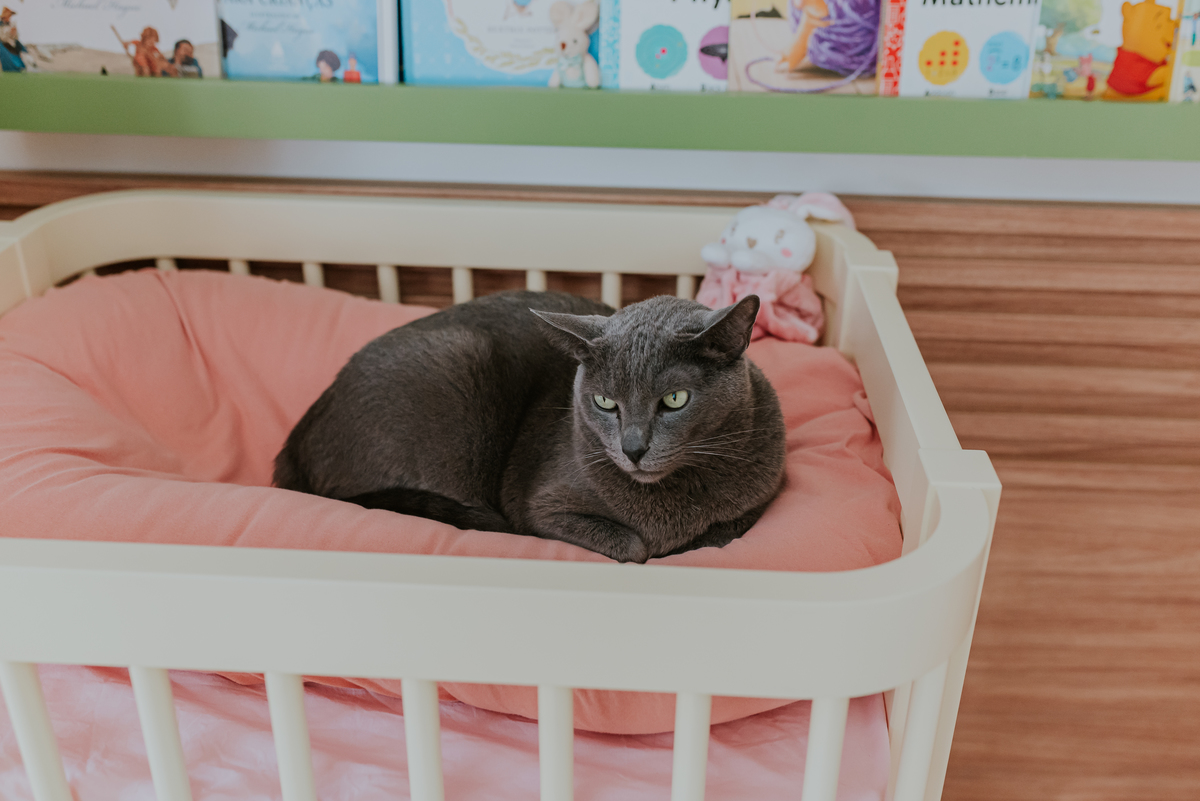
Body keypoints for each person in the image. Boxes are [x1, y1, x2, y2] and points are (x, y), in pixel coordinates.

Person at [0, 7, 29, 73]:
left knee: (22, 48)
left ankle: (23, 66)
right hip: (3, 44)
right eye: (8, 15)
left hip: (12, 44)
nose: (9, 17)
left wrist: (14, 33)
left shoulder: (11, 24)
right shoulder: (0, 25)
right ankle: (10, 69)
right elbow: (2, 37)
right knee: (5, 53)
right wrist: (9, 33)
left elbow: (16, 37)